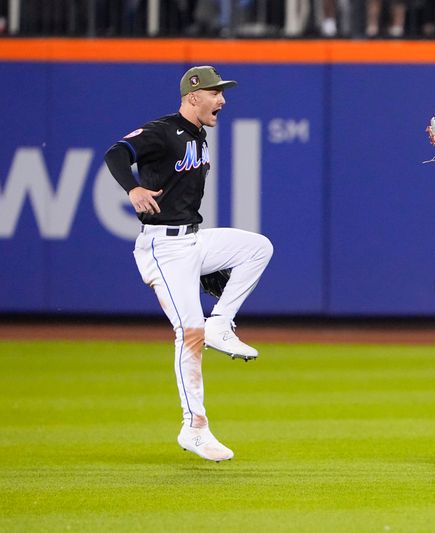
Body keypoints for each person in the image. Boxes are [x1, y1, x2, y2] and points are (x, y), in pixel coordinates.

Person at [104, 66, 274, 462]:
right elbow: (116, 153)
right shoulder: (163, 130)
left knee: (257, 248)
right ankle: (195, 427)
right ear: (193, 95)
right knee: (189, 333)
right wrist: (132, 188)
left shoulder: (198, 133)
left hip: (193, 239)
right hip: (163, 249)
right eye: (215, 93)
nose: (222, 100)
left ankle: (222, 321)